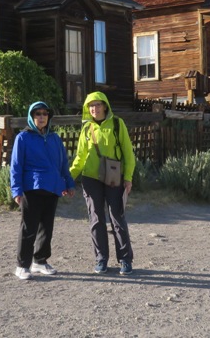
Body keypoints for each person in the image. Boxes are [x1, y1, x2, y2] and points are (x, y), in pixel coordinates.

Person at [70, 91, 136, 276]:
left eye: (98, 104)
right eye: (91, 105)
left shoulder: (117, 124)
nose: (94, 108)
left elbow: (128, 154)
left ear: (105, 106)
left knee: (117, 218)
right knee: (96, 219)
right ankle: (101, 259)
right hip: (91, 179)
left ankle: (125, 259)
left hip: (114, 177)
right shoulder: (86, 129)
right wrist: (68, 179)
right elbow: (80, 157)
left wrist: (128, 177)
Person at [10, 101, 75, 280]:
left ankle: (40, 261)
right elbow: (16, 166)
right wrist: (16, 190)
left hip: (52, 188)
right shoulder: (22, 138)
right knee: (28, 228)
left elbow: (63, 164)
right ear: (31, 117)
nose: (41, 117)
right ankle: (22, 265)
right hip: (32, 188)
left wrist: (68, 183)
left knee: (47, 228)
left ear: (48, 117)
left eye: (44, 114)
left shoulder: (54, 139)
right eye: (37, 114)